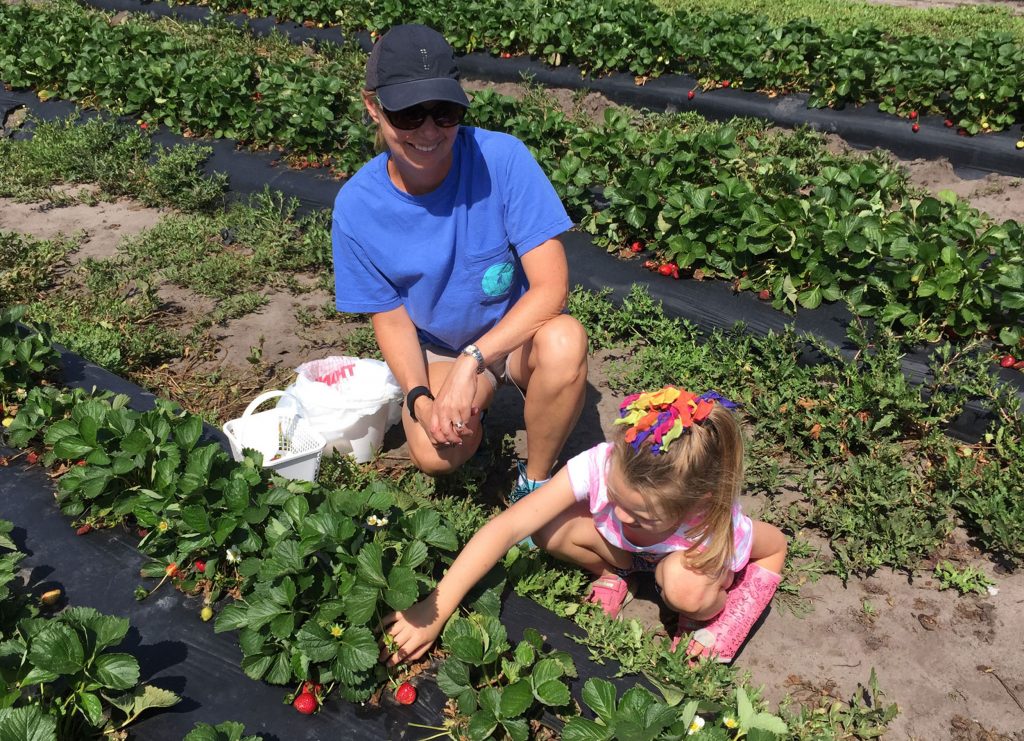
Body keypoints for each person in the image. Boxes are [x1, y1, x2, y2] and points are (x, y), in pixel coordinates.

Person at [332, 24, 588, 500]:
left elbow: (551, 288)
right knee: (435, 454)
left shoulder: (503, 160)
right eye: (408, 115)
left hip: (518, 339)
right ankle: (475, 410)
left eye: (444, 113)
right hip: (442, 349)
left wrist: (474, 361)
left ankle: (535, 481)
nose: (429, 132)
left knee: (565, 341)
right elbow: (391, 318)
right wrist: (418, 396)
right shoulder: (357, 208)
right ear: (373, 107)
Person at [380, 386, 788, 665]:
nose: (622, 515)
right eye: (616, 498)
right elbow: (507, 527)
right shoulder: (602, 464)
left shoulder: (709, 519)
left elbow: (774, 548)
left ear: (696, 503)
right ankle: (617, 572)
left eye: (642, 516)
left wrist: (730, 618)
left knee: (685, 588)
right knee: (546, 528)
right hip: (625, 551)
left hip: (681, 566)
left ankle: (700, 612)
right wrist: (436, 608)